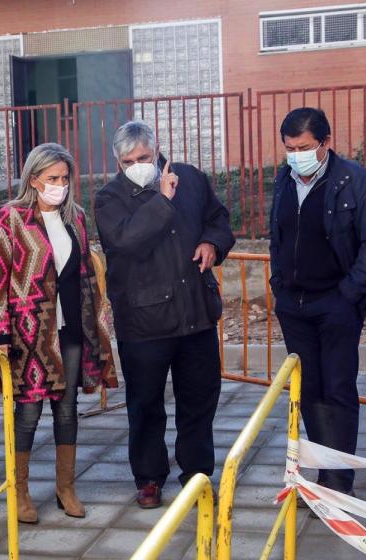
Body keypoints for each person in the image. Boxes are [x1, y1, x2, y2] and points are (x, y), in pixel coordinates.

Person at [94, 120, 235, 509]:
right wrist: (162, 199)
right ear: (118, 163)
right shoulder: (109, 198)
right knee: (145, 404)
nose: (137, 165)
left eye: (144, 157)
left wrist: (212, 243)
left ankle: (196, 473)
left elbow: (219, 220)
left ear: (157, 152)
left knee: (199, 399)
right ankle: (149, 478)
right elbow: (128, 241)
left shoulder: (189, 177)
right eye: (128, 161)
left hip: (196, 314)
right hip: (143, 323)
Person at [0, 143, 118, 524]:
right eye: (52, 178)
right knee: (27, 413)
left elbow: (86, 273)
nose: (60, 185)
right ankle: (21, 491)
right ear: (34, 179)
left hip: (72, 329)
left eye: (64, 178)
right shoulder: (12, 218)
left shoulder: (74, 217)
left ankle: (65, 488)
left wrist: (99, 324)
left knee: (67, 410)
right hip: (30, 334)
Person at [269, 107, 366, 498]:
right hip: (294, 305)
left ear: (326, 143)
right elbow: (279, 237)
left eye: (303, 147)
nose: (295, 156)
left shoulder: (353, 180)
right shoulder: (284, 180)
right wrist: (278, 286)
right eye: (289, 148)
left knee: (338, 390)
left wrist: (349, 293)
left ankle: (340, 483)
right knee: (309, 391)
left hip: (337, 303)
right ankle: (324, 475)